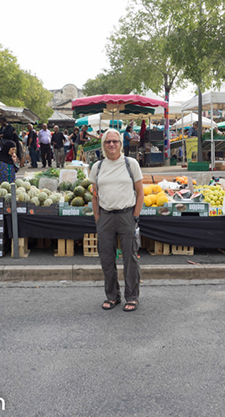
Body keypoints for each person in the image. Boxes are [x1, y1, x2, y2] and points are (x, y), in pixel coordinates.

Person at [89, 129, 144, 312]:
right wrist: (98, 218)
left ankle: (132, 296)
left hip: (126, 215)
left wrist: (135, 215)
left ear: (120, 144)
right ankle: (112, 296)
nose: (111, 144)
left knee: (130, 257)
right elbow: (95, 195)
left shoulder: (131, 164)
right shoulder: (97, 167)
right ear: (103, 145)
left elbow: (140, 191)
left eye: (115, 141)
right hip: (105, 216)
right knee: (106, 258)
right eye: (107, 142)